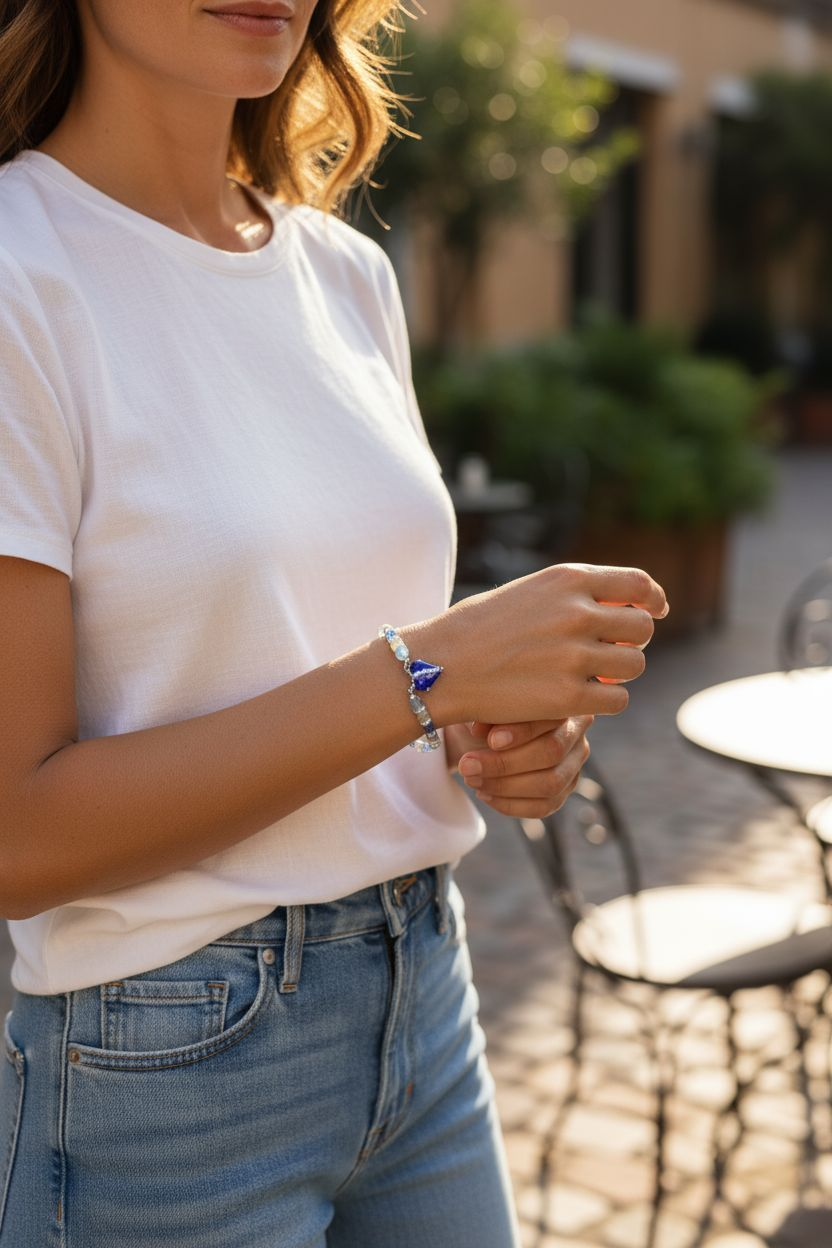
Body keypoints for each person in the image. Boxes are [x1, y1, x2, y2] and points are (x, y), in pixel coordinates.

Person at [0, 1, 668, 1244]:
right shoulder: (18, 275)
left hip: (422, 990)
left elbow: (358, 677)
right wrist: (428, 671)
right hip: (159, 1062)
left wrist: (484, 727)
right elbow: (19, 835)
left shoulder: (346, 273)